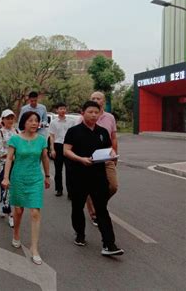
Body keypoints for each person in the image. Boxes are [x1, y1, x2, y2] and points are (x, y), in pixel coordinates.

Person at [63, 100, 124, 256]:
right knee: (77, 207)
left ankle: (109, 244)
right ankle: (80, 234)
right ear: (83, 113)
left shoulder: (103, 132)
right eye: (90, 112)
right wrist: (80, 159)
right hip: (78, 176)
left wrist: (111, 154)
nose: (94, 115)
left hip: (98, 176)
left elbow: (108, 149)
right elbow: (66, 150)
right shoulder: (74, 131)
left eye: (96, 112)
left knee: (102, 209)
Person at [2, 111, 50, 265]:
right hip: (18, 178)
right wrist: (6, 177)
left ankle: (34, 248)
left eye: (36, 121)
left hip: (35, 179)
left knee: (35, 212)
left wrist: (47, 176)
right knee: (18, 210)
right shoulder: (15, 139)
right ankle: (16, 234)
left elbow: (44, 158)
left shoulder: (42, 140)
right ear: (24, 122)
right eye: (31, 120)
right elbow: (9, 158)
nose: (35, 123)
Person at [86, 91, 119, 226]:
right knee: (91, 187)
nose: (95, 100)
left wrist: (115, 153)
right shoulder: (84, 117)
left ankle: (99, 204)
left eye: (98, 98)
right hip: (90, 160)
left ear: (103, 102)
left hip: (107, 158)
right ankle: (94, 213)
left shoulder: (110, 118)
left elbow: (114, 137)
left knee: (113, 186)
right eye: (93, 98)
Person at [0, 109, 19, 228]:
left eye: (11, 118)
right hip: (3, 165)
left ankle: (2, 203)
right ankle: (10, 215)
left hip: (16, 165)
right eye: (7, 118)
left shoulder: (17, 131)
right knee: (6, 189)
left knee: (12, 190)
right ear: (2, 119)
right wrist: (11, 155)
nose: (10, 120)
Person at [48, 102, 75, 197]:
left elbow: (74, 135)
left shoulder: (71, 121)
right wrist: (52, 149)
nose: (62, 110)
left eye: (64, 108)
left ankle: (70, 192)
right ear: (57, 110)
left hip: (68, 147)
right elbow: (52, 136)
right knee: (58, 170)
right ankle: (59, 189)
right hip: (58, 146)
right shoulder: (53, 122)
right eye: (60, 109)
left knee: (70, 170)